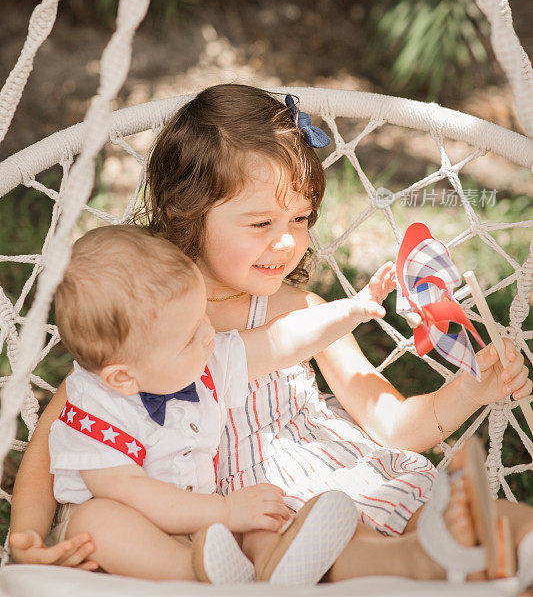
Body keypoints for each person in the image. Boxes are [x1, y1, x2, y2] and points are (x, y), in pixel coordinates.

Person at [9, 84, 533, 584]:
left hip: (345, 474)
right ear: (184, 214)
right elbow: (53, 440)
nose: (288, 241)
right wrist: (25, 537)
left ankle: (488, 548)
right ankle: (418, 563)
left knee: (486, 520)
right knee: (322, 543)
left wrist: (469, 389)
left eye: (301, 218)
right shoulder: (149, 330)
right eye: (261, 223)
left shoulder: (304, 312)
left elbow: (392, 425)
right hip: (264, 510)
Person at [46, 222, 390, 583]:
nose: (210, 333)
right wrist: (224, 510)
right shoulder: (94, 411)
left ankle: (273, 560)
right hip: (134, 535)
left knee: (258, 509)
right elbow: (134, 494)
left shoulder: (200, 361)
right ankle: (197, 575)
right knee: (97, 523)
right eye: (190, 336)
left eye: (202, 317)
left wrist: (350, 310)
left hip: (202, 523)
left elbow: (280, 342)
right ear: (123, 377)